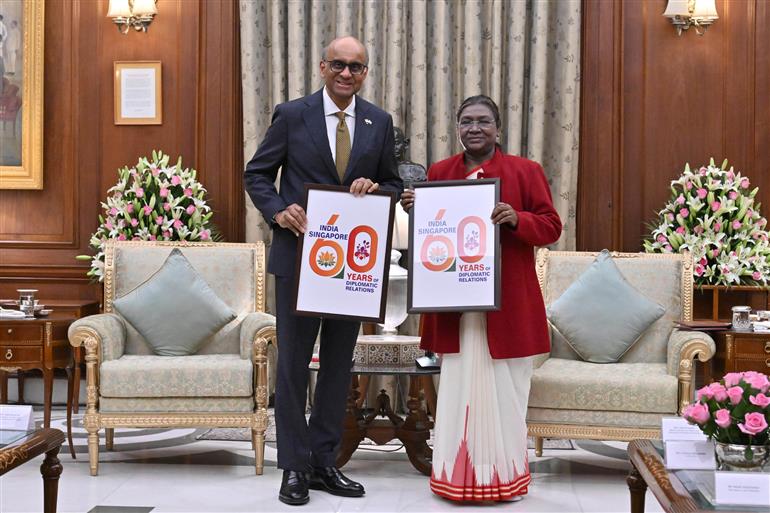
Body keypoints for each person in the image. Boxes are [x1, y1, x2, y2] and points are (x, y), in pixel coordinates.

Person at [244, 36, 402, 506]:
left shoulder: (379, 121)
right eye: (339, 64)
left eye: (356, 67)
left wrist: (376, 187)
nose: (347, 73)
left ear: (365, 73)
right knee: (293, 367)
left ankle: (324, 462)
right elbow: (257, 174)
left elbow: (394, 182)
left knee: (337, 368)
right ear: (322, 66)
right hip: (298, 261)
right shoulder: (292, 115)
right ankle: (293, 467)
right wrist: (278, 210)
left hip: (353, 266)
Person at [400, 95, 561, 502]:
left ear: (498, 129)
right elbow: (431, 236)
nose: (475, 128)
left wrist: (517, 218)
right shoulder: (440, 172)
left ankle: (503, 478)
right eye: (467, 121)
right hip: (456, 307)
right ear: (457, 129)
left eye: (483, 121)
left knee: (507, 393)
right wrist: (415, 209)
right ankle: (454, 478)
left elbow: (551, 227)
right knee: (455, 393)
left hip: (507, 308)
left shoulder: (525, 171)